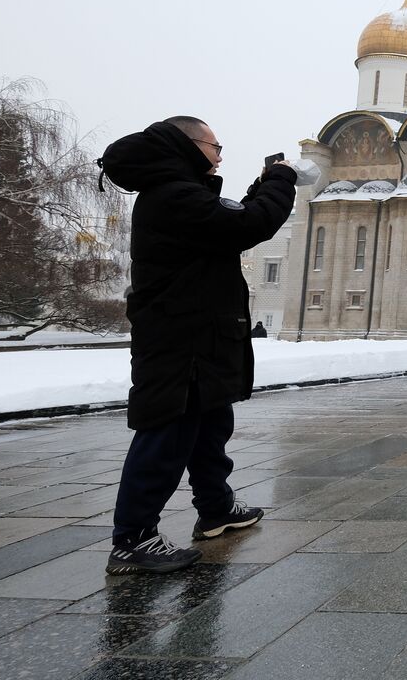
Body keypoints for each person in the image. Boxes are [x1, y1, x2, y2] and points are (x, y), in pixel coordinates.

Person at [99, 116, 296, 574]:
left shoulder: (181, 193)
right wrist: (282, 182)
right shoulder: (173, 195)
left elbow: (230, 223)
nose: (221, 154)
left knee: (210, 425)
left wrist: (260, 185)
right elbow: (250, 225)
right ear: (189, 145)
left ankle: (216, 508)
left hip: (199, 336)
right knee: (166, 434)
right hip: (179, 339)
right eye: (215, 145)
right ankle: (132, 539)